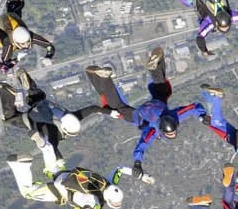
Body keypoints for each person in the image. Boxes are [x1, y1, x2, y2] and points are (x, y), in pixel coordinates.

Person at [87, 47, 204, 183]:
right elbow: (142, 144)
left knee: (163, 90)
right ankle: (104, 80)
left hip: (157, 105)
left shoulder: (175, 116)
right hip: (139, 116)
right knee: (117, 109)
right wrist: (137, 162)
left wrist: (202, 116)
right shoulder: (154, 130)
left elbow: (192, 108)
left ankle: (156, 66)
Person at [0, 67, 92, 170]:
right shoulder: (55, 134)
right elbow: (53, 147)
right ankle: (5, 92)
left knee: (37, 96)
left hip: (42, 106)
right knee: (9, 117)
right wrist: (60, 162)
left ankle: (28, 85)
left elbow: (93, 109)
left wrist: (111, 112)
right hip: (32, 118)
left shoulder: (70, 116)